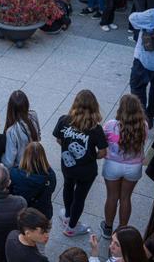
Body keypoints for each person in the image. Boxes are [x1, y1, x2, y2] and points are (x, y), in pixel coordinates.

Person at [53, 90, 108, 237]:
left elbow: (58, 139)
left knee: (68, 187)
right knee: (80, 197)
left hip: (68, 165)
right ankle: (71, 227)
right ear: (94, 107)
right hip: (86, 171)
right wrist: (92, 156)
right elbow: (103, 152)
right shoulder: (96, 129)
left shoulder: (64, 120)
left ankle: (67, 216)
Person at [101, 94, 148, 238]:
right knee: (126, 198)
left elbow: (103, 142)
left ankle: (108, 228)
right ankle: (122, 231)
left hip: (112, 165)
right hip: (134, 167)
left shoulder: (110, 125)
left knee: (112, 196)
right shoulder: (144, 126)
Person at [9, 142, 57, 219]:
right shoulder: (50, 175)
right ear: (43, 156)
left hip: (22, 214)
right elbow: (51, 189)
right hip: (43, 215)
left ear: (25, 155)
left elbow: (10, 192)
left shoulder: (14, 173)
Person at [1, 90, 40, 168]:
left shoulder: (12, 131)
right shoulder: (33, 115)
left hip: (22, 167)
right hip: (36, 160)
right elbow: (39, 135)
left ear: (10, 108)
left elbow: (9, 162)